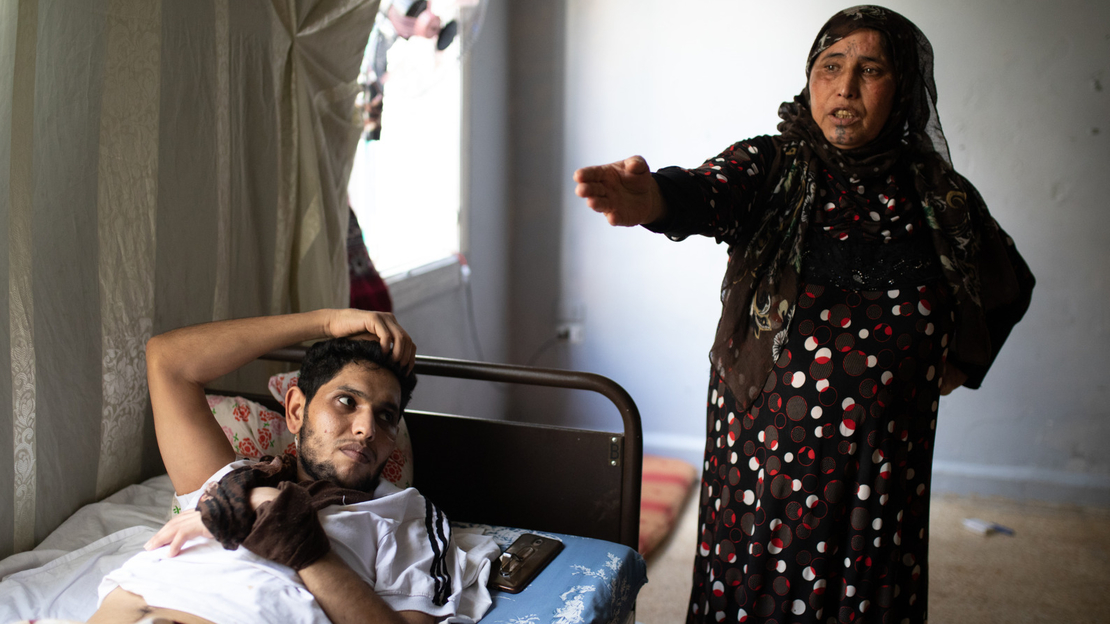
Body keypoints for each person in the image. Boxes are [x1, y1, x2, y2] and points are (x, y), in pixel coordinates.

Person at [574, 6, 1034, 623]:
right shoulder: (773, 166)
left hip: (884, 463)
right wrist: (653, 197)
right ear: (810, 77)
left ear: (901, 87)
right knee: (764, 584)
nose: (845, 88)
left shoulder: (938, 197)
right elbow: (708, 191)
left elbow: (1006, 282)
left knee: (866, 590)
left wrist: (957, 365)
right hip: (769, 454)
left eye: (870, 70)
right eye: (830, 66)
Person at [86, 309, 493, 624]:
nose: (367, 429)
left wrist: (286, 524)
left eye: (386, 416)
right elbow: (167, 360)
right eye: (347, 401)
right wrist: (326, 321)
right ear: (296, 410)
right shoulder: (231, 482)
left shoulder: (404, 516)